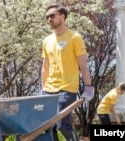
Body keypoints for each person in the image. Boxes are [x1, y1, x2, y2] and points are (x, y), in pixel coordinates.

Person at [41, 4, 92, 141]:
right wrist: (43, 88)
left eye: (52, 16)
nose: (49, 19)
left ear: (62, 17)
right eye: (47, 17)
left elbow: (83, 65)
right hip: (48, 90)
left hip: (67, 89)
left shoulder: (74, 37)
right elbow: (45, 67)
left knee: (62, 125)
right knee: (47, 126)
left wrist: (89, 89)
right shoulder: (47, 40)